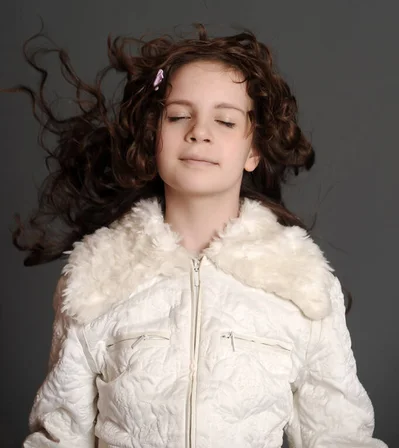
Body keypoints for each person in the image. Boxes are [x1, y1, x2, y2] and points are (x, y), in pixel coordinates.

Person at [9, 23, 386, 447]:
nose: (199, 132)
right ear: (155, 137)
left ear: (254, 150)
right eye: (178, 116)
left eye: (225, 121)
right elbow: (58, 438)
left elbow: (341, 439)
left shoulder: (304, 288)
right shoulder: (94, 282)